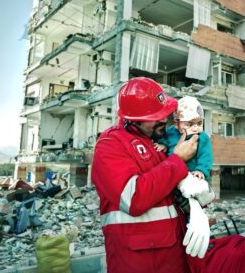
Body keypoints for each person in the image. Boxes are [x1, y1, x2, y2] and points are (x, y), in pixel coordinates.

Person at [91, 77, 208, 272]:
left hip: (174, 257)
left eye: (164, 112)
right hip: (140, 263)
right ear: (133, 119)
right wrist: (177, 160)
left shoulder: (157, 141)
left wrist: (197, 207)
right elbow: (133, 198)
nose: (164, 119)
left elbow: (173, 189)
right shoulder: (110, 145)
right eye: (156, 116)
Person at [154, 96, 215, 206]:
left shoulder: (202, 137)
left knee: (192, 201)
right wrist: (163, 145)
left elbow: (206, 156)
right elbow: (165, 138)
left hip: (191, 175)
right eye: (189, 124)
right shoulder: (171, 132)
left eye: (199, 123)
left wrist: (201, 170)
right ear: (176, 123)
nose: (196, 128)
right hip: (172, 175)